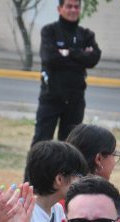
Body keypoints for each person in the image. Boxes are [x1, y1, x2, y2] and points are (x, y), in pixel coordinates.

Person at [0, 140, 89, 222]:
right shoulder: (21, 212)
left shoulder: (58, 211)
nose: (81, 182)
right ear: (59, 179)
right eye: (79, 177)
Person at [31, 0, 101, 146]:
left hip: (75, 100)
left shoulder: (86, 34)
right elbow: (50, 58)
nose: (73, 10)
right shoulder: (49, 31)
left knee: (70, 146)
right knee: (41, 144)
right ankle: (36, 170)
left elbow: (93, 59)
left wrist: (68, 52)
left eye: (76, 7)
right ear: (59, 8)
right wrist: (81, 54)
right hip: (51, 98)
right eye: (69, 6)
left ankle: (64, 171)